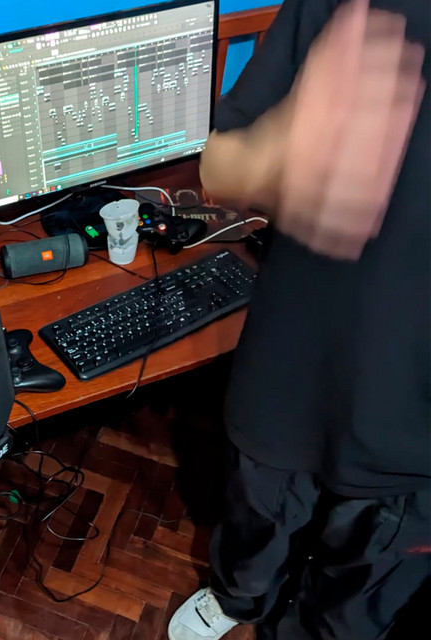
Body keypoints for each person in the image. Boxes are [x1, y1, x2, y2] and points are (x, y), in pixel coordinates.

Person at [167, 0, 430, 638]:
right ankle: (238, 599)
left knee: (353, 605)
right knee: (254, 525)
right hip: (288, 367)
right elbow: (218, 169)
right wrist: (285, 146)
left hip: (415, 435)